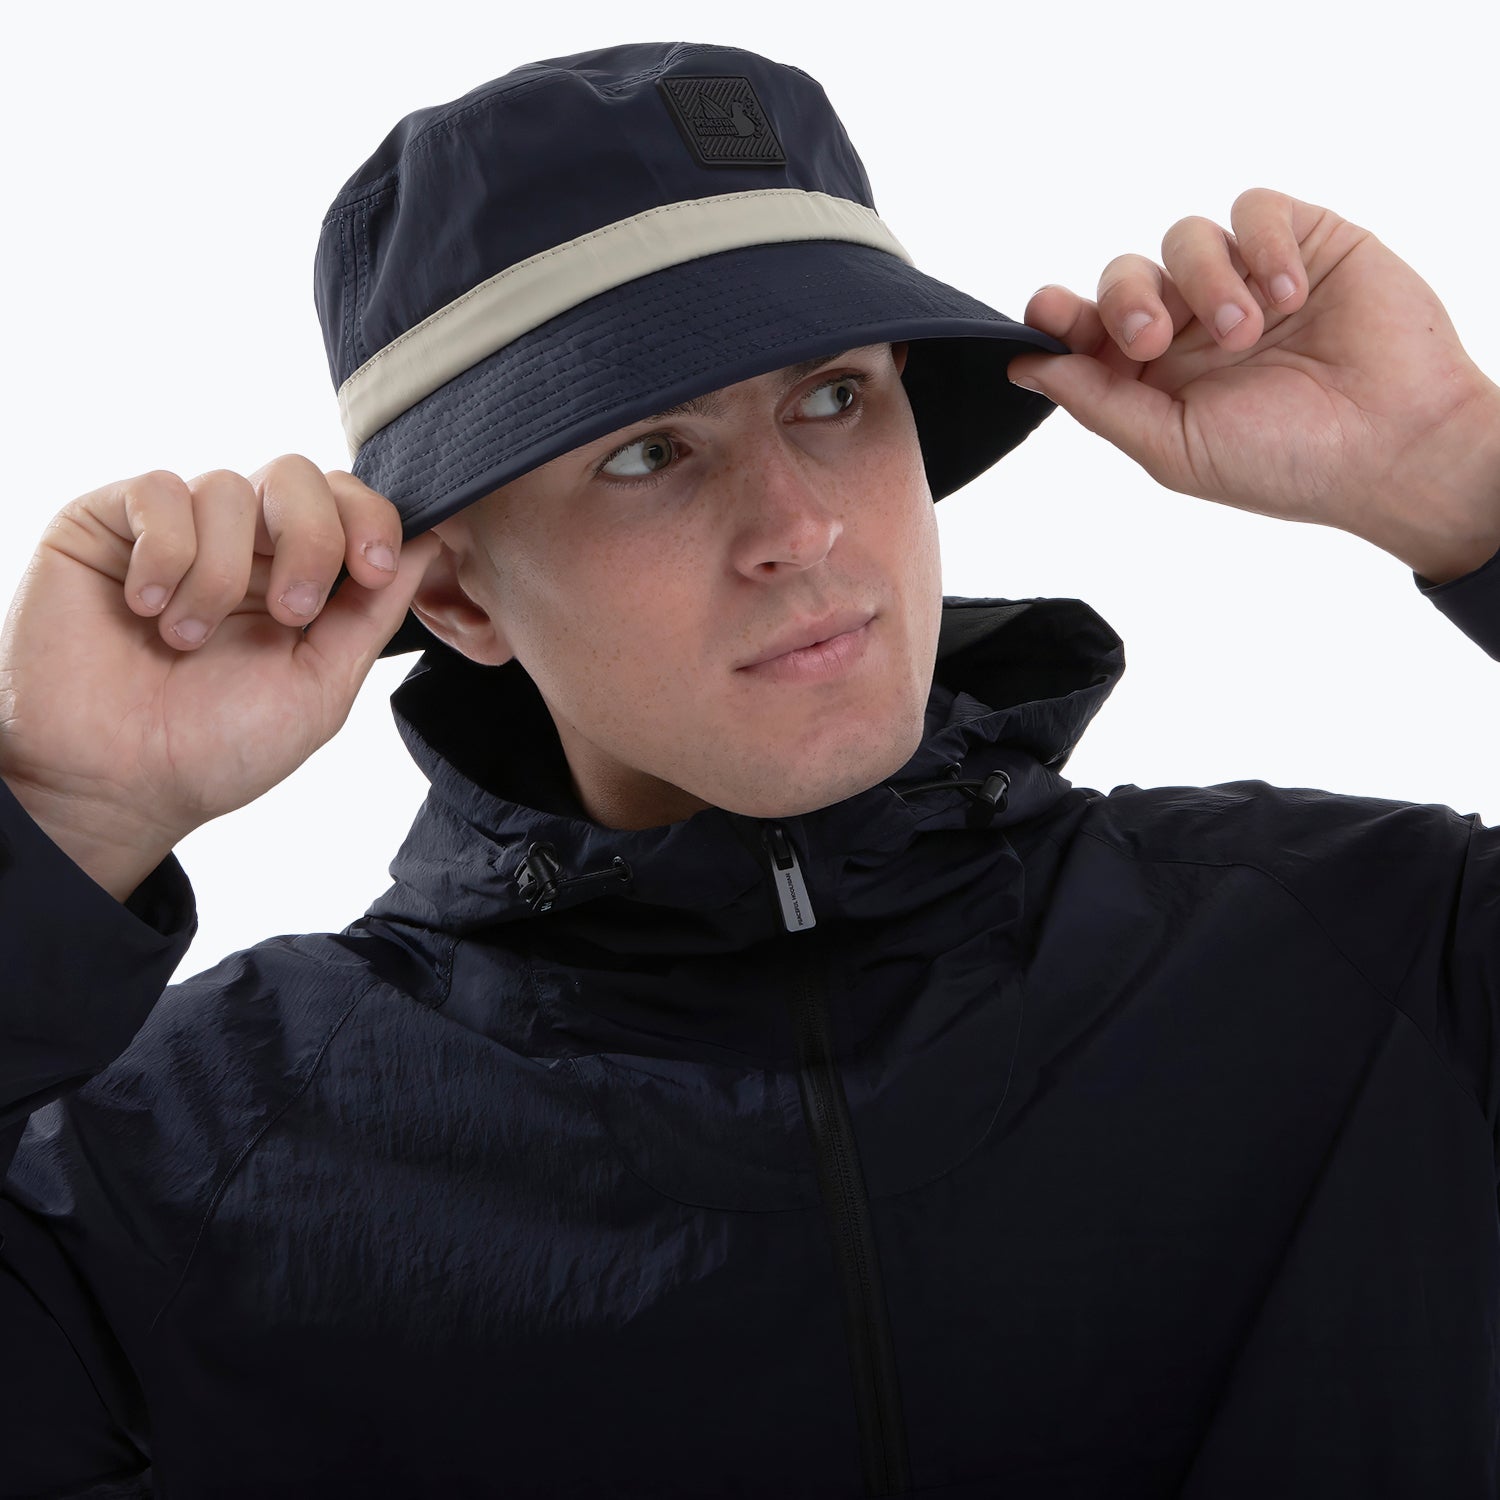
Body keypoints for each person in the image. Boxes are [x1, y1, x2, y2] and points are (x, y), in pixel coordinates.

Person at [1, 36, 1497, 1498]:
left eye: (833, 397)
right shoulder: (195, 1158)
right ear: (453, 594)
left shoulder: (1378, 954)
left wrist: (1471, 483)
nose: (798, 526)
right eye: (648, 452)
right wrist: (58, 829)